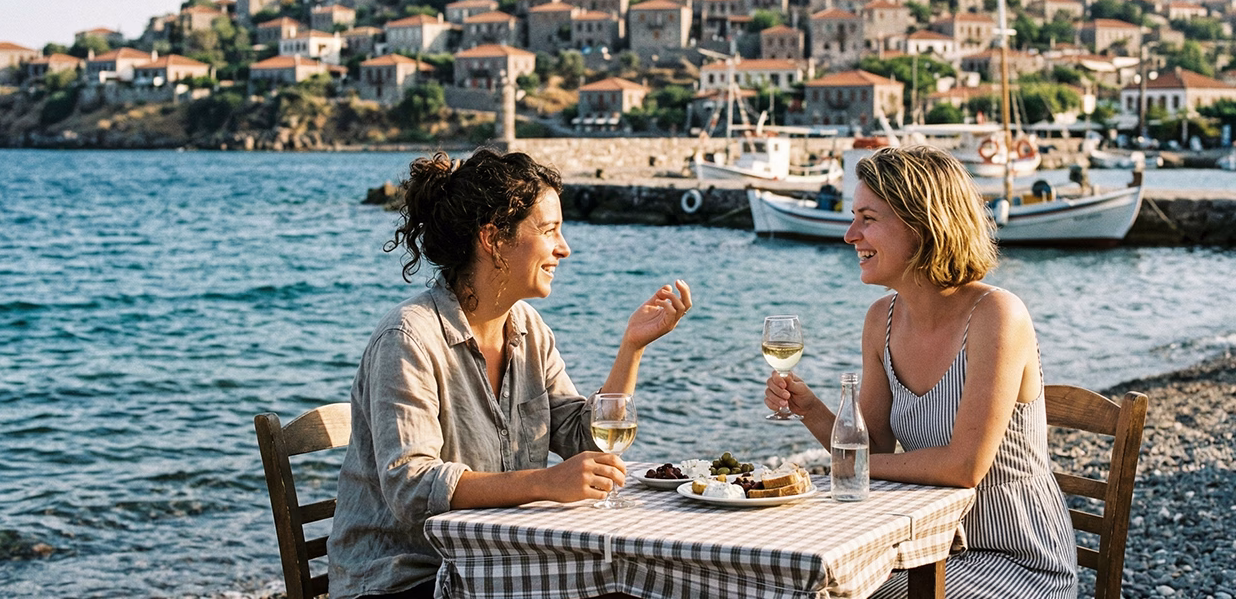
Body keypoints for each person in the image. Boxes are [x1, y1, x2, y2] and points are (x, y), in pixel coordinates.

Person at [329, 148, 692, 599]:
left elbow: (583, 440)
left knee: (642, 585)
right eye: (549, 230)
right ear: (494, 239)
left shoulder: (529, 330)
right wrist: (546, 482)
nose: (564, 248)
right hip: (406, 580)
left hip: (495, 565)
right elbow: (412, 486)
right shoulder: (409, 338)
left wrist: (632, 346)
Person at [766, 145, 1078, 598]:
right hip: (926, 549)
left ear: (922, 225)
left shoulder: (997, 316)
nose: (850, 235)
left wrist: (845, 468)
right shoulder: (881, 320)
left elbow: (964, 466)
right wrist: (809, 408)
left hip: (1017, 558)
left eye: (868, 218)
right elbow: (873, 448)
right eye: (853, 217)